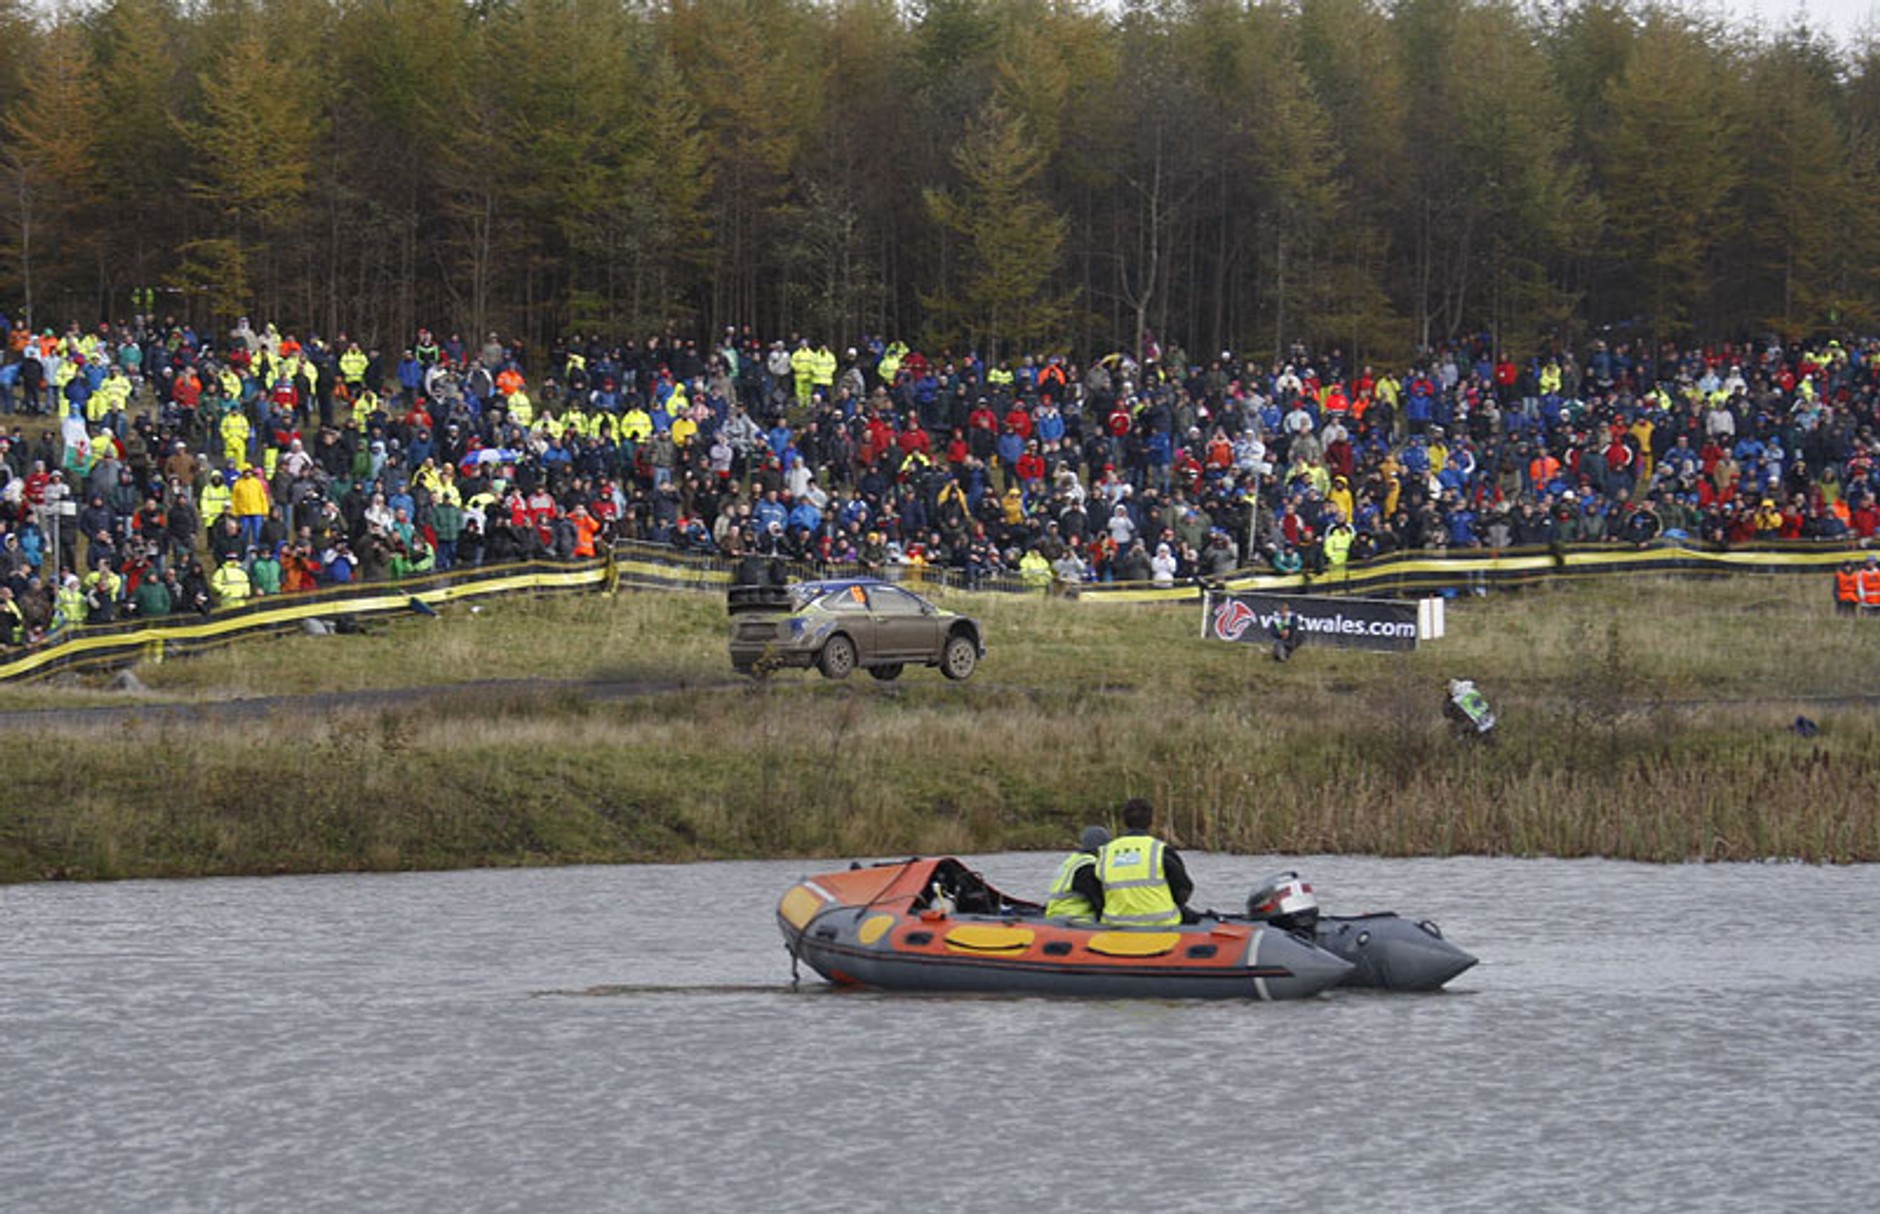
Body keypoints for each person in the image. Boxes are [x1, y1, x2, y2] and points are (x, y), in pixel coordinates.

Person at [1096, 797, 1193, 928]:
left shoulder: (1105, 852)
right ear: (1151, 821)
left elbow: (1097, 890)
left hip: (1115, 925)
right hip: (1160, 926)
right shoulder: (1159, 850)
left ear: (1124, 822)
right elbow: (1184, 889)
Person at [1042, 826, 1109, 923]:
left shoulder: (1072, 861)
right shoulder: (1087, 867)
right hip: (1074, 919)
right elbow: (1098, 901)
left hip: (1056, 914)